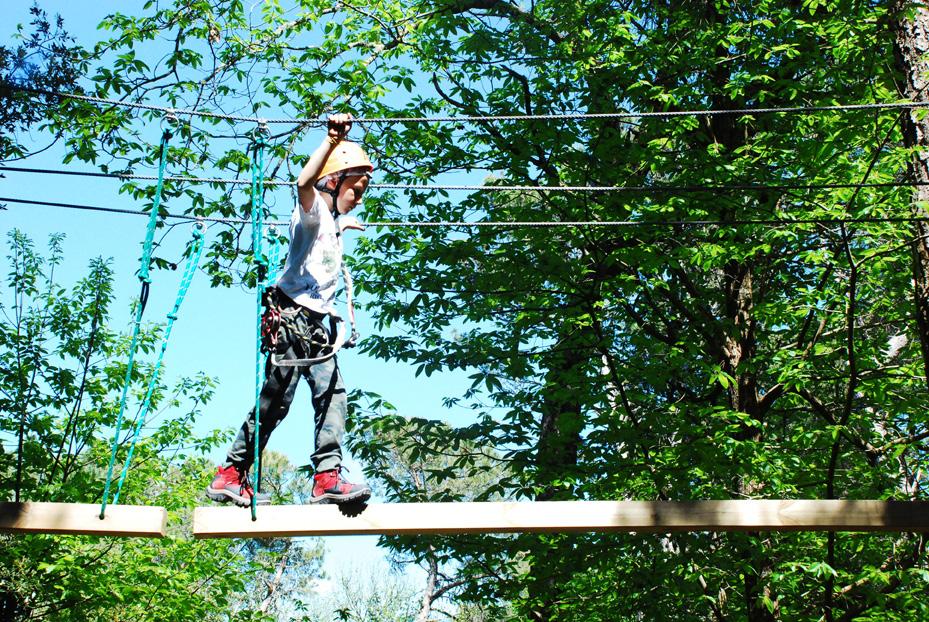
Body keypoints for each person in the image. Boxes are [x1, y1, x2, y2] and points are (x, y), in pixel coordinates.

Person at [207, 113, 373, 507]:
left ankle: (326, 478)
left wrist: (344, 228)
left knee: (333, 393)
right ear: (333, 182)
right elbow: (302, 184)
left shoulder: (331, 222)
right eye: (357, 186)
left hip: (314, 325)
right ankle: (231, 473)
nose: (361, 196)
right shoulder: (312, 213)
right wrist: (331, 142)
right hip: (293, 318)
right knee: (277, 400)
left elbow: (323, 255)